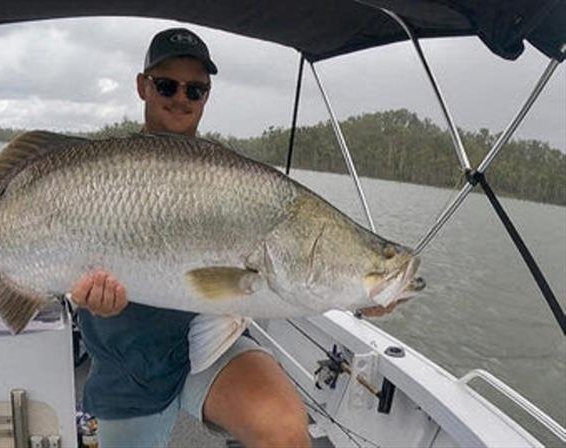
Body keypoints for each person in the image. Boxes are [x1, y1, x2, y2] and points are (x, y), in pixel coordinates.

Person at [70, 28, 395, 448]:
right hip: (129, 365)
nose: (181, 97)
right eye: (167, 84)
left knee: (284, 433)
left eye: (196, 89)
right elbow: (60, 278)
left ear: (207, 96)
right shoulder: (97, 174)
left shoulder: (233, 177)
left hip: (209, 353)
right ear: (142, 86)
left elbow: (292, 283)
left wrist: (361, 292)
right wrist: (85, 298)